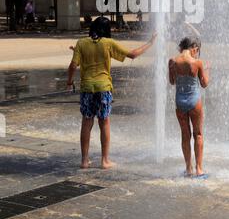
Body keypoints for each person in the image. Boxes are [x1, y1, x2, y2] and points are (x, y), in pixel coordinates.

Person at [67, 16, 157, 169]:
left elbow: (73, 65)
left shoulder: (81, 43)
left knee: (87, 123)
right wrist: (150, 42)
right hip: (104, 88)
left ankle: (84, 161)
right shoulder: (108, 43)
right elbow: (133, 54)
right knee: (104, 122)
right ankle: (104, 161)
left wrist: (69, 81)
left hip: (87, 88)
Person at [168, 37, 210, 178]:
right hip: (194, 101)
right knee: (198, 134)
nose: (196, 54)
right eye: (197, 51)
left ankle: (188, 168)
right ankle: (199, 169)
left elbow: (172, 81)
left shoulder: (172, 61)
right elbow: (204, 84)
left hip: (180, 102)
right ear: (194, 48)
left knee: (185, 135)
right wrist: (207, 70)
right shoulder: (197, 62)